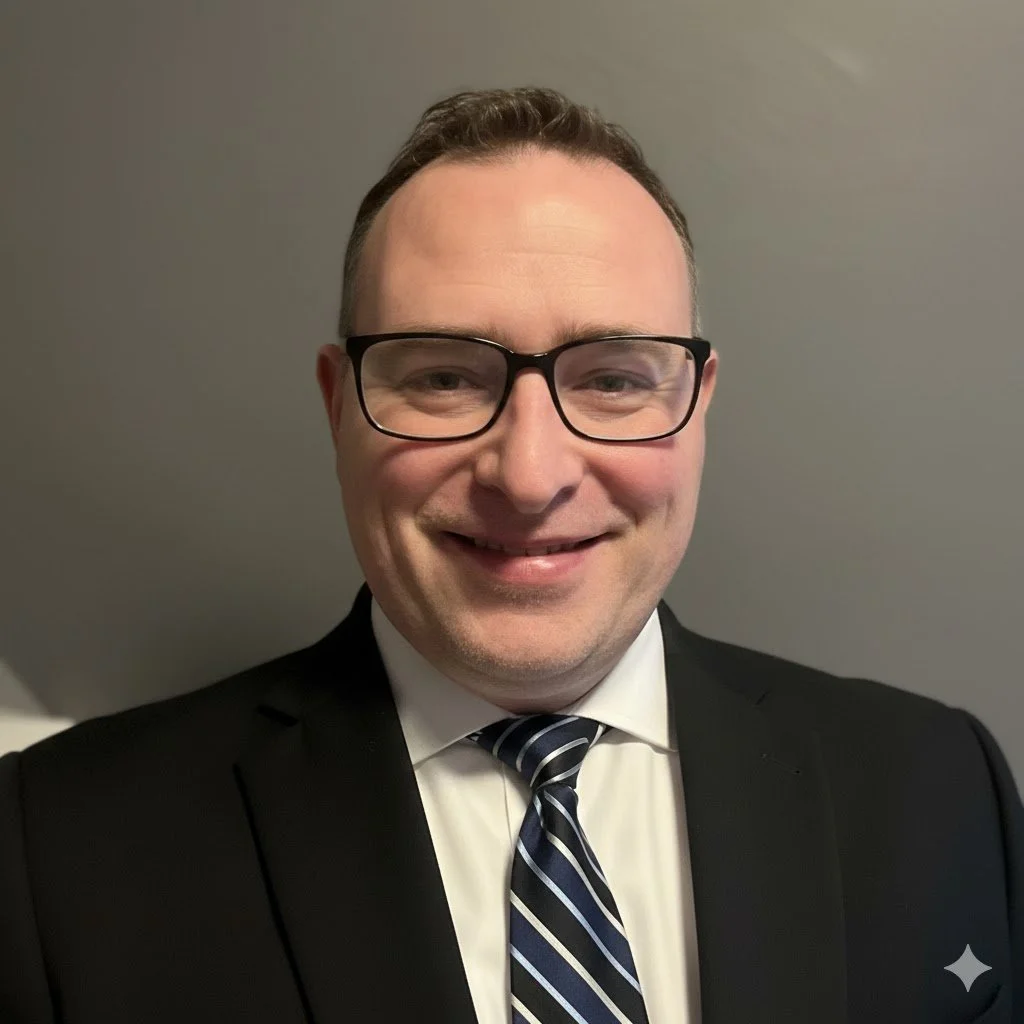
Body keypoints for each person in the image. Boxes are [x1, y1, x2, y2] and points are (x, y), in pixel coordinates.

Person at [0, 87, 1020, 1024]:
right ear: (337, 404)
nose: (529, 476)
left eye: (615, 378)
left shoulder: (939, 788)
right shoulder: (56, 846)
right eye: (443, 377)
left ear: (697, 406)